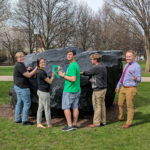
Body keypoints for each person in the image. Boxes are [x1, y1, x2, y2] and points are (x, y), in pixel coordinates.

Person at [115, 50, 142, 128]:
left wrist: (135, 79)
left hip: (131, 89)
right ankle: (121, 118)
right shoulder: (126, 65)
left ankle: (128, 123)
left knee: (129, 106)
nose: (128, 58)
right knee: (120, 104)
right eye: (127, 56)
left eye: (130, 56)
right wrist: (117, 86)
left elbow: (139, 79)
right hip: (123, 88)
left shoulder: (137, 66)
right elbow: (122, 77)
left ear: (134, 57)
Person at [81, 53, 107, 128]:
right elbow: (99, 77)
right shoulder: (103, 66)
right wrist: (93, 80)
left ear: (95, 60)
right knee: (102, 105)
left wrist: (77, 73)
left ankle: (96, 123)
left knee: (97, 106)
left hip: (98, 90)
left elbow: (86, 72)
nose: (91, 61)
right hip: (103, 89)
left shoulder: (96, 67)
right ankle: (103, 121)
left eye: (91, 59)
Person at [58, 49, 81, 131]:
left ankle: (70, 125)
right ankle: (74, 124)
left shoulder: (72, 66)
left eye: (70, 54)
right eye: (68, 54)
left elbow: (73, 79)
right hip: (76, 89)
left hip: (69, 90)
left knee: (66, 107)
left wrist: (63, 75)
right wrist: (63, 72)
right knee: (75, 107)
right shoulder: (75, 64)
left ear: (74, 55)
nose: (68, 56)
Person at [14, 52, 37, 125]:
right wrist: (36, 69)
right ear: (17, 58)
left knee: (19, 103)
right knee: (27, 103)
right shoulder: (20, 65)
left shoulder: (19, 65)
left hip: (17, 86)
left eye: (23, 56)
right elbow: (29, 75)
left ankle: (17, 119)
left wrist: (27, 69)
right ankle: (25, 120)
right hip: (22, 87)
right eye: (20, 57)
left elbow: (23, 72)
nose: (22, 58)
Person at [36, 58, 55, 128]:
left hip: (40, 91)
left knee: (40, 108)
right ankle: (49, 124)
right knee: (47, 108)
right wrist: (53, 75)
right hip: (44, 92)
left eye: (44, 62)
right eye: (41, 62)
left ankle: (38, 123)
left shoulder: (41, 71)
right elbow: (49, 82)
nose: (43, 63)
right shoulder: (41, 72)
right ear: (38, 64)